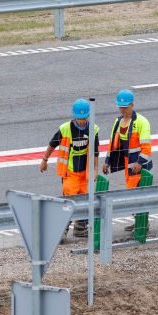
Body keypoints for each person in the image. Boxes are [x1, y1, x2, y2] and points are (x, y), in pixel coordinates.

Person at [40, 98, 100, 238]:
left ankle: (80, 227)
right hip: (70, 172)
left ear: (88, 116)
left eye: (84, 118)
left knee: (85, 199)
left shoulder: (93, 129)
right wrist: (44, 160)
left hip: (85, 173)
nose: (81, 121)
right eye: (79, 118)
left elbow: (96, 151)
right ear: (74, 115)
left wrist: (95, 169)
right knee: (69, 201)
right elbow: (52, 144)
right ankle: (62, 230)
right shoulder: (65, 129)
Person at [103, 89, 153, 231]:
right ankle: (139, 221)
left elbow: (146, 147)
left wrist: (140, 162)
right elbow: (113, 143)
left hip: (140, 166)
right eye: (120, 107)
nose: (122, 109)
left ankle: (143, 224)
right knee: (132, 193)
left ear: (132, 105)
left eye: (125, 107)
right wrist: (107, 161)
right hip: (128, 165)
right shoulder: (118, 121)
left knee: (138, 194)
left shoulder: (142, 122)